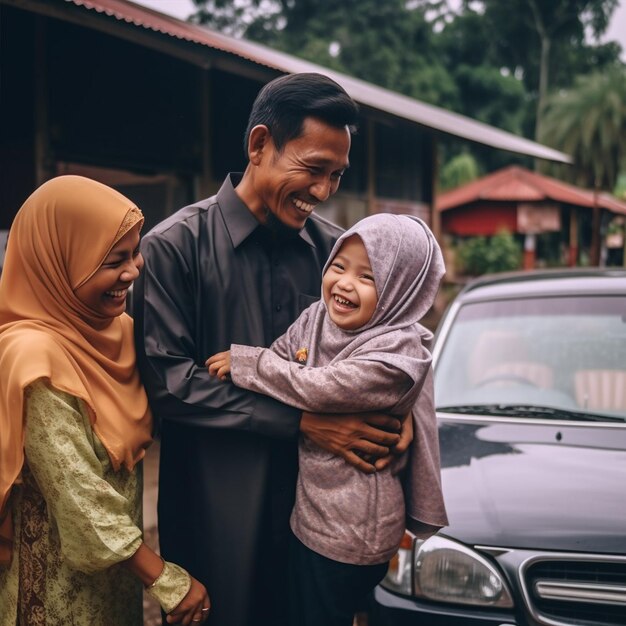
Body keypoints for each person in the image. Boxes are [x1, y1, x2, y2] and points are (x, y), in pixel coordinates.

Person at [133, 72, 409, 626]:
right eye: (313, 169)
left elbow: (391, 346)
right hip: (217, 518)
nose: (325, 191)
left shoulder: (339, 255)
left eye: (336, 175)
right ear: (259, 145)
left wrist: (401, 420)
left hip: (327, 528)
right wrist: (303, 421)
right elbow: (170, 382)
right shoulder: (174, 248)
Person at [207, 213, 448, 625]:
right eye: (339, 266)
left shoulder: (396, 355)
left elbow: (324, 387)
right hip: (314, 516)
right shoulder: (319, 316)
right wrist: (273, 368)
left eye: (368, 277)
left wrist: (250, 364)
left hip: (352, 535)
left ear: (399, 290)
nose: (344, 283)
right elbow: (286, 353)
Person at [0, 176, 209, 626]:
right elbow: (82, 500)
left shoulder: (118, 333)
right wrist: (166, 581)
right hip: (54, 588)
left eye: (135, 253)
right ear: (62, 262)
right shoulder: (34, 358)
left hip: (114, 582)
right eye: (114, 261)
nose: (134, 271)